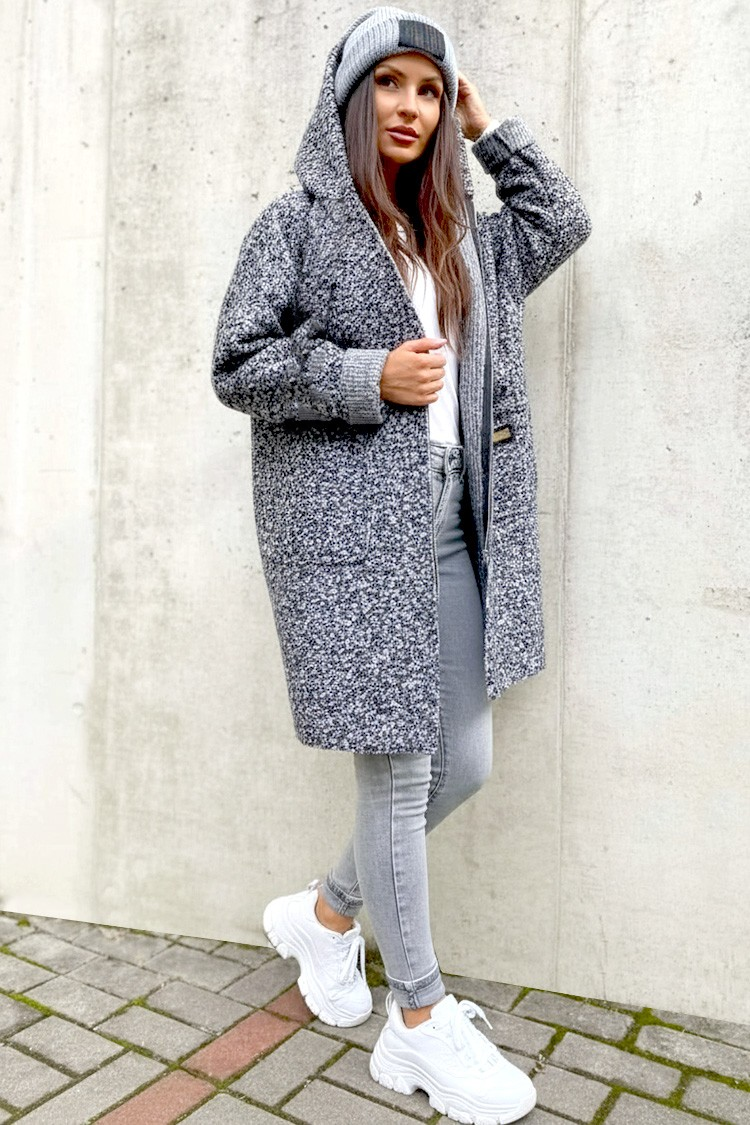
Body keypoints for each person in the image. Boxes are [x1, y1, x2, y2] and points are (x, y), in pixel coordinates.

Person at [211, 6, 591, 1123]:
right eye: (391, 83)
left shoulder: (466, 239)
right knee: (400, 773)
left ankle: (326, 915)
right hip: (349, 540)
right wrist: (365, 374)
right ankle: (417, 1021)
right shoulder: (297, 224)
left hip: (455, 525)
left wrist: (488, 126)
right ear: (349, 95)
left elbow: (562, 218)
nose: (411, 106)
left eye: (430, 88)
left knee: (463, 761)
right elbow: (237, 362)